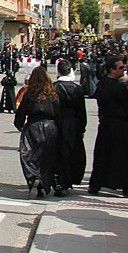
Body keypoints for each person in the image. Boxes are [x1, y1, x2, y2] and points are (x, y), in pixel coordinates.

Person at [14, 67, 60, 198]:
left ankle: (33, 177)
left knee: (29, 156)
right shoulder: (53, 95)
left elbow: (21, 113)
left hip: (33, 126)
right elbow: (58, 114)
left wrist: (20, 125)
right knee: (47, 158)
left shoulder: (29, 95)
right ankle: (44, 183)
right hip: (50, 126)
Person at [89, 56, 128, 198]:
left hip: (106, 124)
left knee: (103, 155)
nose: (123, 69)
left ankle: (95, 185)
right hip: (120, 125)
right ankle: (125, 186)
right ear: (112, 70)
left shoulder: (102, 84)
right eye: (120, 67)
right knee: (122, 157)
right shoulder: (119, 88)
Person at [53, 60, 87, 197]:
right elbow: (81, 110)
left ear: (58, 71)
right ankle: (71, 179)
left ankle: (62, 182)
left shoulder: (54, 87)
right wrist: (82, 127)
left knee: (60, 154)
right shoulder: (77, 88)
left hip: (58, 122)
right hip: (73, 123)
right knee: (73, 152)